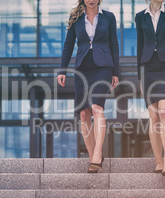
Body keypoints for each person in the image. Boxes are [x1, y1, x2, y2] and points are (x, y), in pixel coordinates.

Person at [57, 0, 119, 173]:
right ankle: (92, 157)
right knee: (84, 113)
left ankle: (98, 153)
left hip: (103, 67)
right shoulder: (76, 17)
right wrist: (62, 70)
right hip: (82, 68)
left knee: (97, 107)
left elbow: (114, 44)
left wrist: (116, 72)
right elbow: (69, 45)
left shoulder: (109, 17)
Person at [135, 0, 165, 176]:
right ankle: (158, 161)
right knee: (154, 116)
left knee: (164, 111)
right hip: (148, 68)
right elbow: (140, 47)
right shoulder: (140, 16)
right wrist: (140, 76)